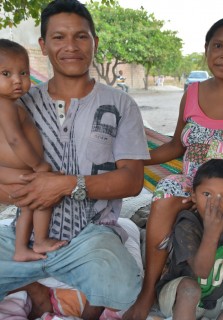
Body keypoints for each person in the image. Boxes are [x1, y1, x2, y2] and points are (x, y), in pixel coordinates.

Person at [124, 17, 223, 320]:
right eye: (218, 46)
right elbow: (175, 145)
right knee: (165, 194)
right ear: (206, 50)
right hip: (195, 180)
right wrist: (136, 158)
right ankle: (149, 290)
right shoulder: (193, 92)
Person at [0, 0, 150, 319]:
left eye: (81, 36)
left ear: (95, 42)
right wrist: (25, 191)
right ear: (43, 45)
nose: (71, 46)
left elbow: (132, 181)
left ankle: (30, 280)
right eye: (58, 37)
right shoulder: (18, 103)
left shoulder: (120, 104)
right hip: (23, 232)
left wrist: (66, 185)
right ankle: (34, 286)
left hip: (90, 234)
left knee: (124, 287)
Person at [156, 159, 223, 320]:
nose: (214, 203)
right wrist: (211, 233)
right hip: (179, 300)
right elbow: (201, 271)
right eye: (207, 194)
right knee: (190, 289)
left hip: (214, 300)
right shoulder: (187, 225)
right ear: (193, 195)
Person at [0, 39, 67, 262]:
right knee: (44, 192)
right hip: (14, 170)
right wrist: (38, 165)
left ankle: (22, 248)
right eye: (6, 74)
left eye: (23, 73)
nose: (17, 81)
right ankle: (39, 240)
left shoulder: (13, 102)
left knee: (29, 204)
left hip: (12, 169)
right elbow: (15, 140)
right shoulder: (5, 105)